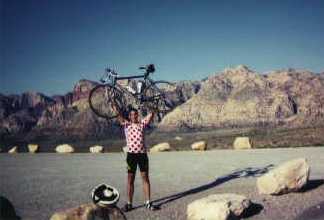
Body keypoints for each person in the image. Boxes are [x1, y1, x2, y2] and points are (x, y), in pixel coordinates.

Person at [113, 105, 158, 212]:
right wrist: (114, 108)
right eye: (132, 114)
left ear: (138, 115)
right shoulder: (126, 125)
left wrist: (154, 108)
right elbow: (118, 116)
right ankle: (129, 204)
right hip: (131, 155)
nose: (134, 116)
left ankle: (148, 202)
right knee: (130, 180)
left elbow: (151, 115)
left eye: (135, 114)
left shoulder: (142, 124)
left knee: (145, 178)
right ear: (129, 116)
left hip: (142, 155)